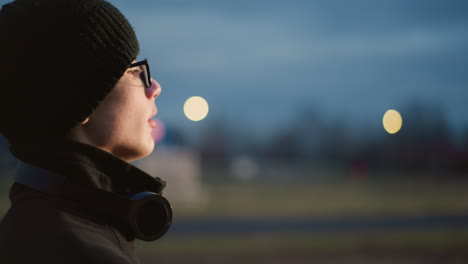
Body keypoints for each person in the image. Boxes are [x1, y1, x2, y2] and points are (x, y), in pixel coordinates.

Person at [0, 0, 172, 263]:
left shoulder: (26, 228)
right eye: (135, 71)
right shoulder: (84, 252)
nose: (155, 87)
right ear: (79, 101)